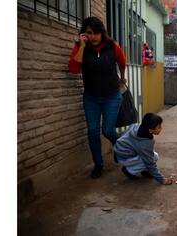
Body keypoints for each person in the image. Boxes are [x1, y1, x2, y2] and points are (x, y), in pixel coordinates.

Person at [69, 16, 127, 179]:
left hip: (111, 96)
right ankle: (98, 164)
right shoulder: (80, 47)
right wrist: (81, 46)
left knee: (108, 130)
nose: (93, 36)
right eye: (89, 33)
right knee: (93, 132)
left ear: (102, 33)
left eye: (96, 33)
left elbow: (122, 61)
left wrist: (122, 77)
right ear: (84, 34)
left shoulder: (112, 46)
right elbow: (74, 68)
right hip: (91, 98)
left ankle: (120, 147)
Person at [113, 113, 173, 185]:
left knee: (151, 154)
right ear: (150, 130)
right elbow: (150, 163)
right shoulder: (144, 144)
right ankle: (129, 171)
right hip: (124, 158)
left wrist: (116, 152)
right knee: (154, 157)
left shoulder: (136, 126)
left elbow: (123, 137)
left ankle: (145, 171)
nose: (161, 128)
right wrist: (162, 179)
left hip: (120, 154)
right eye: (159, 127)